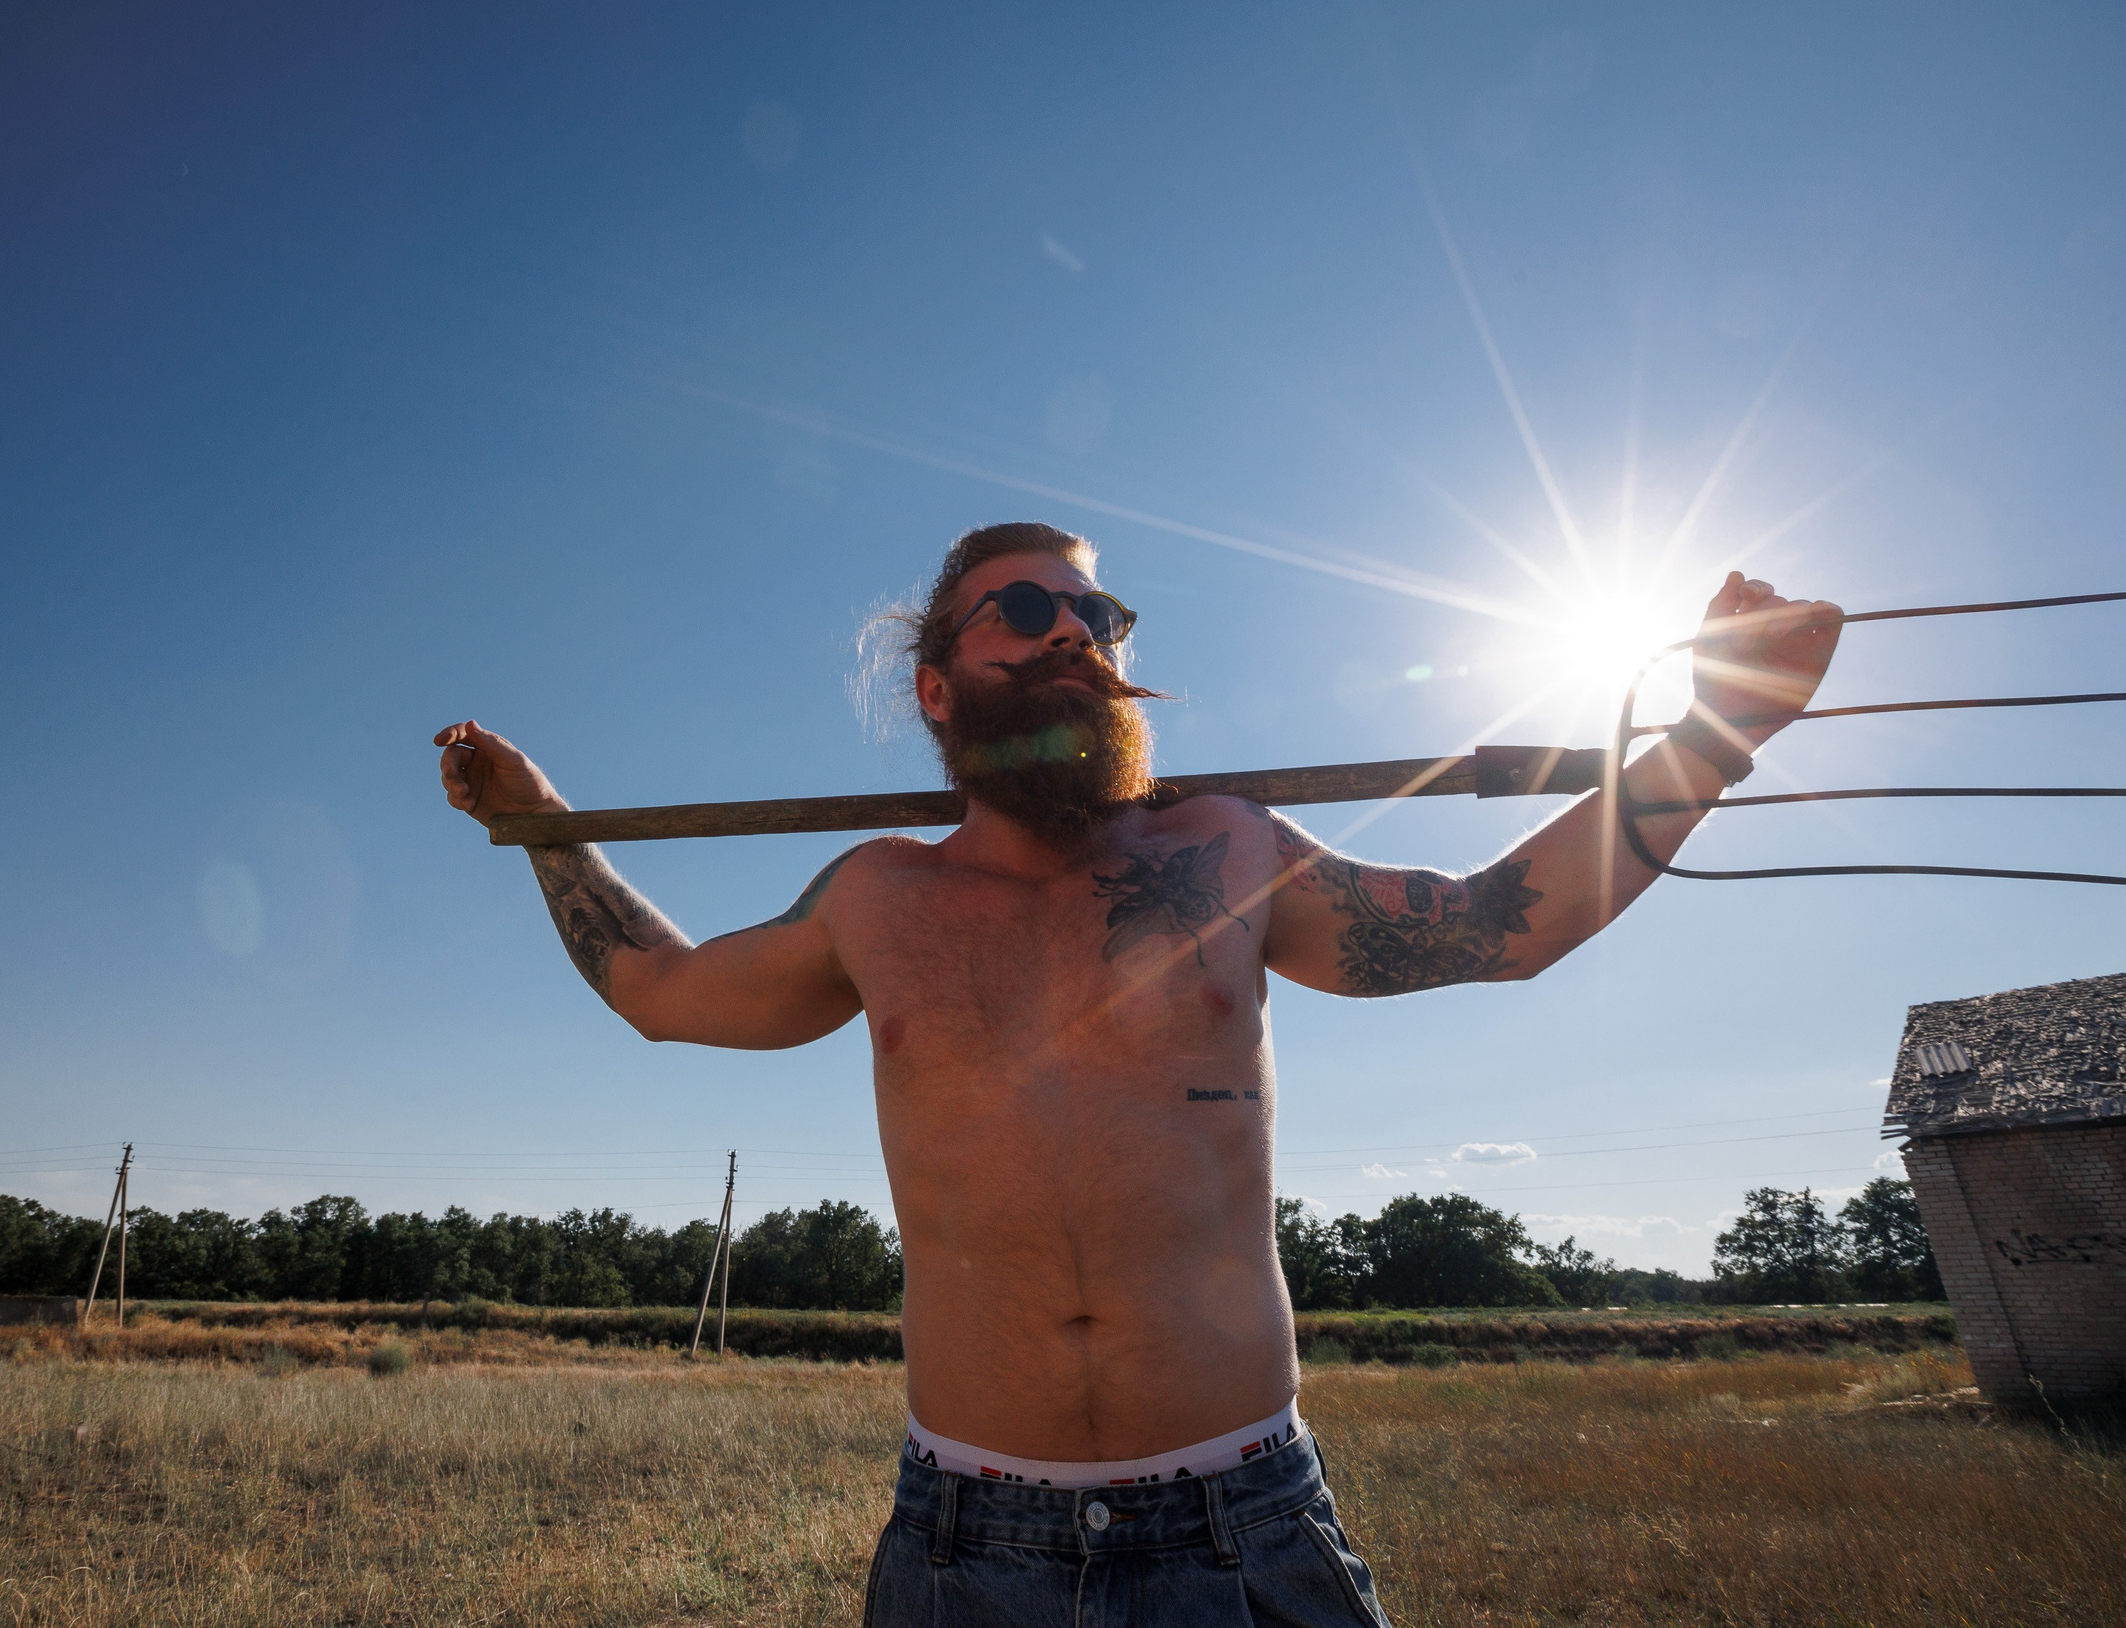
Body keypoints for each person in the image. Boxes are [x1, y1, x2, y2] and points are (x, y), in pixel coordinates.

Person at [434, 522, 1841, 1627]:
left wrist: (1718, 730)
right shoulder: (877, 898)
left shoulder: (1228, 850)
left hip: (1243, 1527)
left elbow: (1495, 927)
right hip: (969, 1549)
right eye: (1024, 609)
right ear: (935, 685)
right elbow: (662, 992)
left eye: (1097, 614)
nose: (1074, 634)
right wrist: (547, 826)